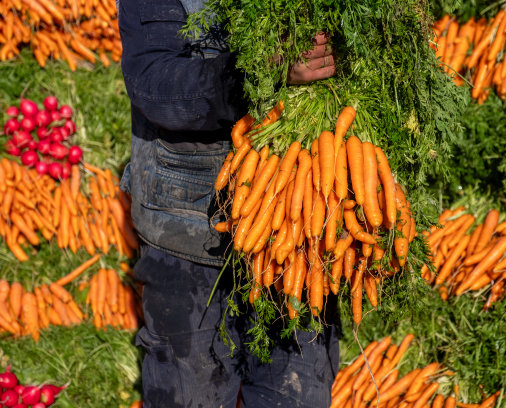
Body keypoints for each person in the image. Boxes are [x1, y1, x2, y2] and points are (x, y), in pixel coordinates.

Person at [117, 1, 339, 406]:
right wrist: (259, 71)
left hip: (300, 238)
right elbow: (154, 84)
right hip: (189, 231)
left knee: (296, 393)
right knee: (190, 392)